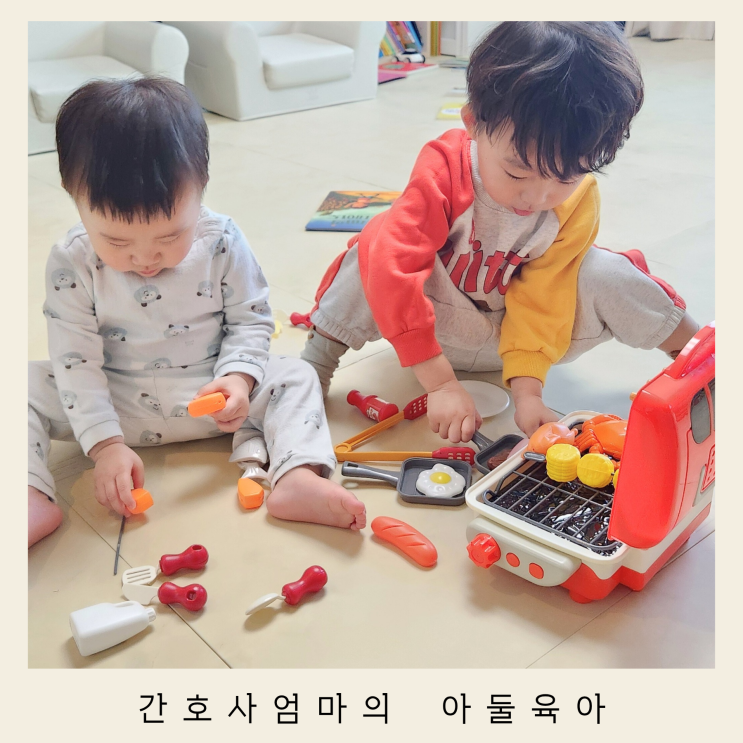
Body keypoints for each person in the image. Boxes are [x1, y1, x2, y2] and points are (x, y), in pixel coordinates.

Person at [301, 21, 699, 443]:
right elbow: (393, 268)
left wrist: (528, 391)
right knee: (378, 245)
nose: (537, 196)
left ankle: (699, 359)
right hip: (434, 332)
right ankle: (312, 370)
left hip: (518, 339)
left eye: (566, 177)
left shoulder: (578, 201)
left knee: (605, 271)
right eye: (516, 172)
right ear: (473, 124)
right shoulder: (445, 170)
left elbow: (545, 296)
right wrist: (439, 382)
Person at [28, 77, 366, 547]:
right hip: (115, 405)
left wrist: (238, 379)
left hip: (210, 395)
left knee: (297, 375)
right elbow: (75, 362)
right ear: (73, 197)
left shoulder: (222, 240)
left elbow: (250, 319)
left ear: (201, 188)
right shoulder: (72, 260)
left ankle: (297, 477)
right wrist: (105, 445)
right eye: (116, 241)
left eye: (170, 236)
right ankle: (27, 495)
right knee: (20, 386)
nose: (145, 258)